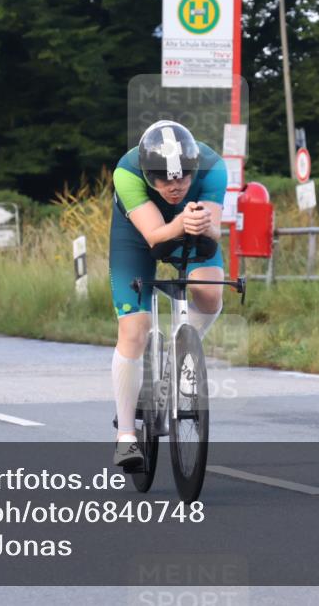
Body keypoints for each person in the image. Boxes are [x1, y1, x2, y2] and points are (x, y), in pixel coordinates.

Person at [108, 120, 227, 468]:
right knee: (135, 329)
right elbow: (154, 236)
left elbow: (214, 233)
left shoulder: (213, 167)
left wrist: (203, 224)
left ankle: (180, 355)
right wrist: (181, 223)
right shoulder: (127, 173)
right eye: (163, 179)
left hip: (191, 227)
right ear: (148, 175)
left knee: (209, 292)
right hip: (138, 234)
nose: (174, 187)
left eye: (183, 178)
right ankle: (126, 436)